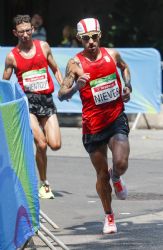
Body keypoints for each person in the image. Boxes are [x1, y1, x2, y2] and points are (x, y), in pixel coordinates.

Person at [58, 18, 132, 234]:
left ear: (100, 36)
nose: (90, 42)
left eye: (94, 37)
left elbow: (125, 69)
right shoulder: (75, 64)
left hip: (116, 117)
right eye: (85, 38)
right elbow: (61, 94)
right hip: (93, 126)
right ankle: (109, 216)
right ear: (79, 39)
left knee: (121, 163)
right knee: (102, 175)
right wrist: (75, 88)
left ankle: (117, 177)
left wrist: (128, 87)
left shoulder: (113, 55)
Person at [3, 14, 63, 199]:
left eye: (28, 31)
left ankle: (42, 174)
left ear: (33, 30)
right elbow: (4, 83)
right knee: (42, 144)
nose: (26, 35)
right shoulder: (12, 57)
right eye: (21, 32)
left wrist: (64, 87)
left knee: (55, 145)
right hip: (27, 104)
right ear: (15, 33)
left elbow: (55, 69)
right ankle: (44, 183)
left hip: (46, 100)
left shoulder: (43, 47)